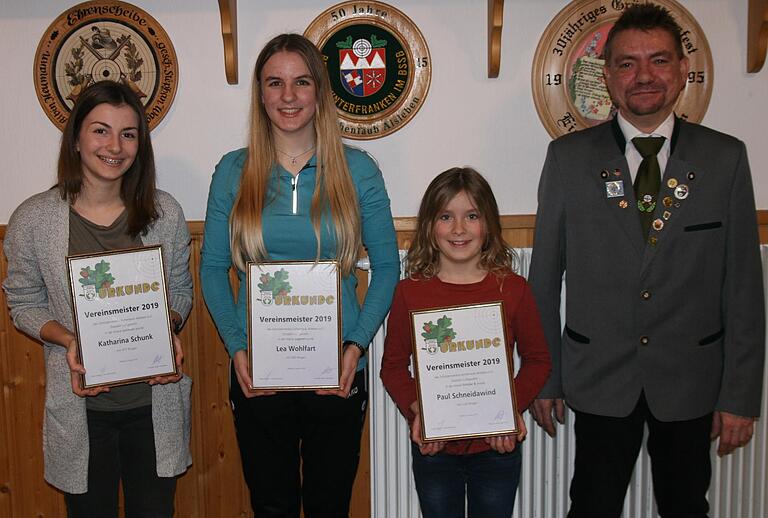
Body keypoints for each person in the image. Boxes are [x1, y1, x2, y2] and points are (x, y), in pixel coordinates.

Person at [528, 4, 765, 517]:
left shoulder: (725, 159)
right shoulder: (568, 159)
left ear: (682, 69)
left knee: (685, 506)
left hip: (691, 378)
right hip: (599, 378)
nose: (644, 77)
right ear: (608, 76)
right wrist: (544, 376)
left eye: (658, 61)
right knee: (591, 505)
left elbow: (743, 287)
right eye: (627, 63)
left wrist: (741, 395)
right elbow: (543, 280)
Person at [200, 33, 399, 517]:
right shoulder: (233, 170)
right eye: (275, 83)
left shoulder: (358, 170)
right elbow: (212, 268)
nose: (288, 96)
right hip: (259, 373)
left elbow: (389, 266)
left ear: (319, 92)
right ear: (261, 93)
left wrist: (355, 346)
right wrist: (237, 349)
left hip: (336, 370)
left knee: (330, 505)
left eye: (301, 82)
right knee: (272, 506)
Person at [2, 80, 193, 517]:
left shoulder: (165, 213)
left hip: (153, 406)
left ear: (140, 145)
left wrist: (169, 327)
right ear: (76, 139)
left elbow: (180, 289)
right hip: (81, 408)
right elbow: (22, 301)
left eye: (128, 134)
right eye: (100, 130)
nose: (115, 145)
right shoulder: (34, 218)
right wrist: (68, 340)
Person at [380, 167, 551, 518]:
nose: (459, 229)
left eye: (471, 216)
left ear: (487, 223)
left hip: (496, 448)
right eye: (446, 216)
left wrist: (510, 410)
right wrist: (418, 412)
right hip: (435, 448)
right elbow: (394, 367)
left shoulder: (513, 289)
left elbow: (538, 360)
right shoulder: (410, 292)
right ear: (429, 226)